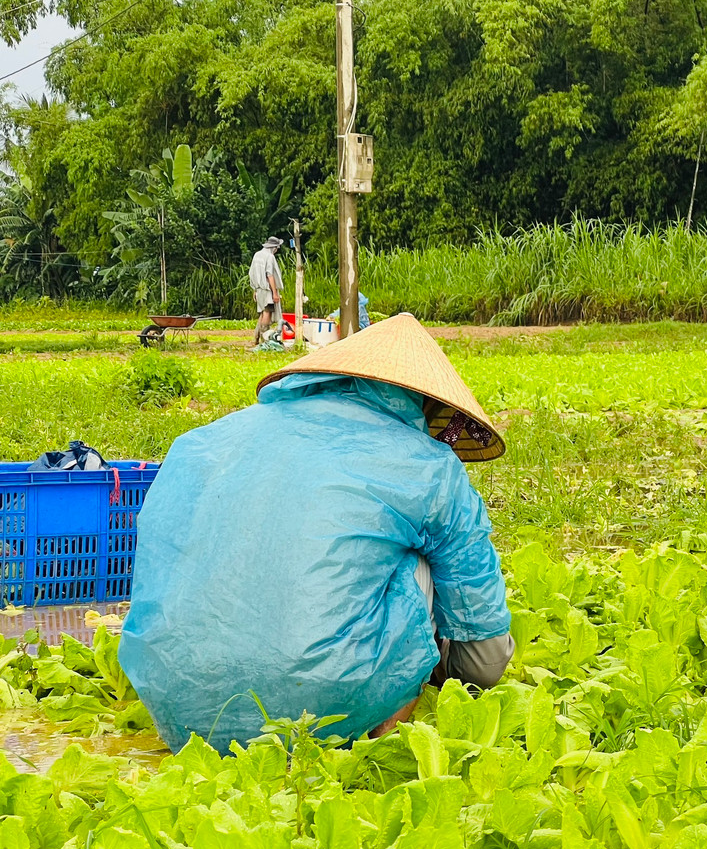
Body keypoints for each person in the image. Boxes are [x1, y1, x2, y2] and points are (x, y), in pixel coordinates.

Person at [119, 314, 514, 752]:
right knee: (419, 558)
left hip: (179, 709)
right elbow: (485, 659)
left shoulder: (204, 442)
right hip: (324, 705)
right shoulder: (429, 466)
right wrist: (440, 666)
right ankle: (378, 739)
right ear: (424, 404)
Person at [248, 236, 285, 348]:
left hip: (258, 289)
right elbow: (270, 275)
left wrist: (255, 289)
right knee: (267, 312)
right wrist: (274, 293)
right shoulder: (269, 257)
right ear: (273, 247)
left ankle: (256, 338)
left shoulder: (257, 255)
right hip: (267, 289)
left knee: (263, 312)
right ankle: (265, 339)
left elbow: (252, 273)